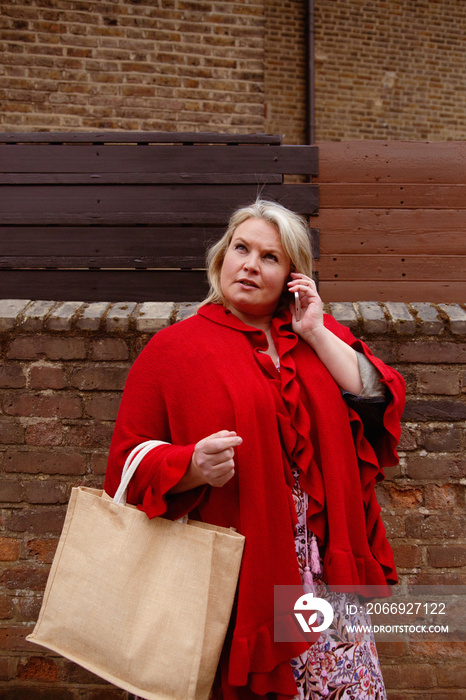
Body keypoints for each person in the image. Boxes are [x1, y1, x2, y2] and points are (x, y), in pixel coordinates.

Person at [104, 199, 405, 700]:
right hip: (233, 579)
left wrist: (314, 331)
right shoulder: (173, 349)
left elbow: (379, 399)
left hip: (324, 579)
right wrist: (190, 465)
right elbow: (123, 468)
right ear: (222, 256)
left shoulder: (318, 337)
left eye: (270, 257)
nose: (249, 264)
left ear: (292, 275)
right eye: (241, 248)